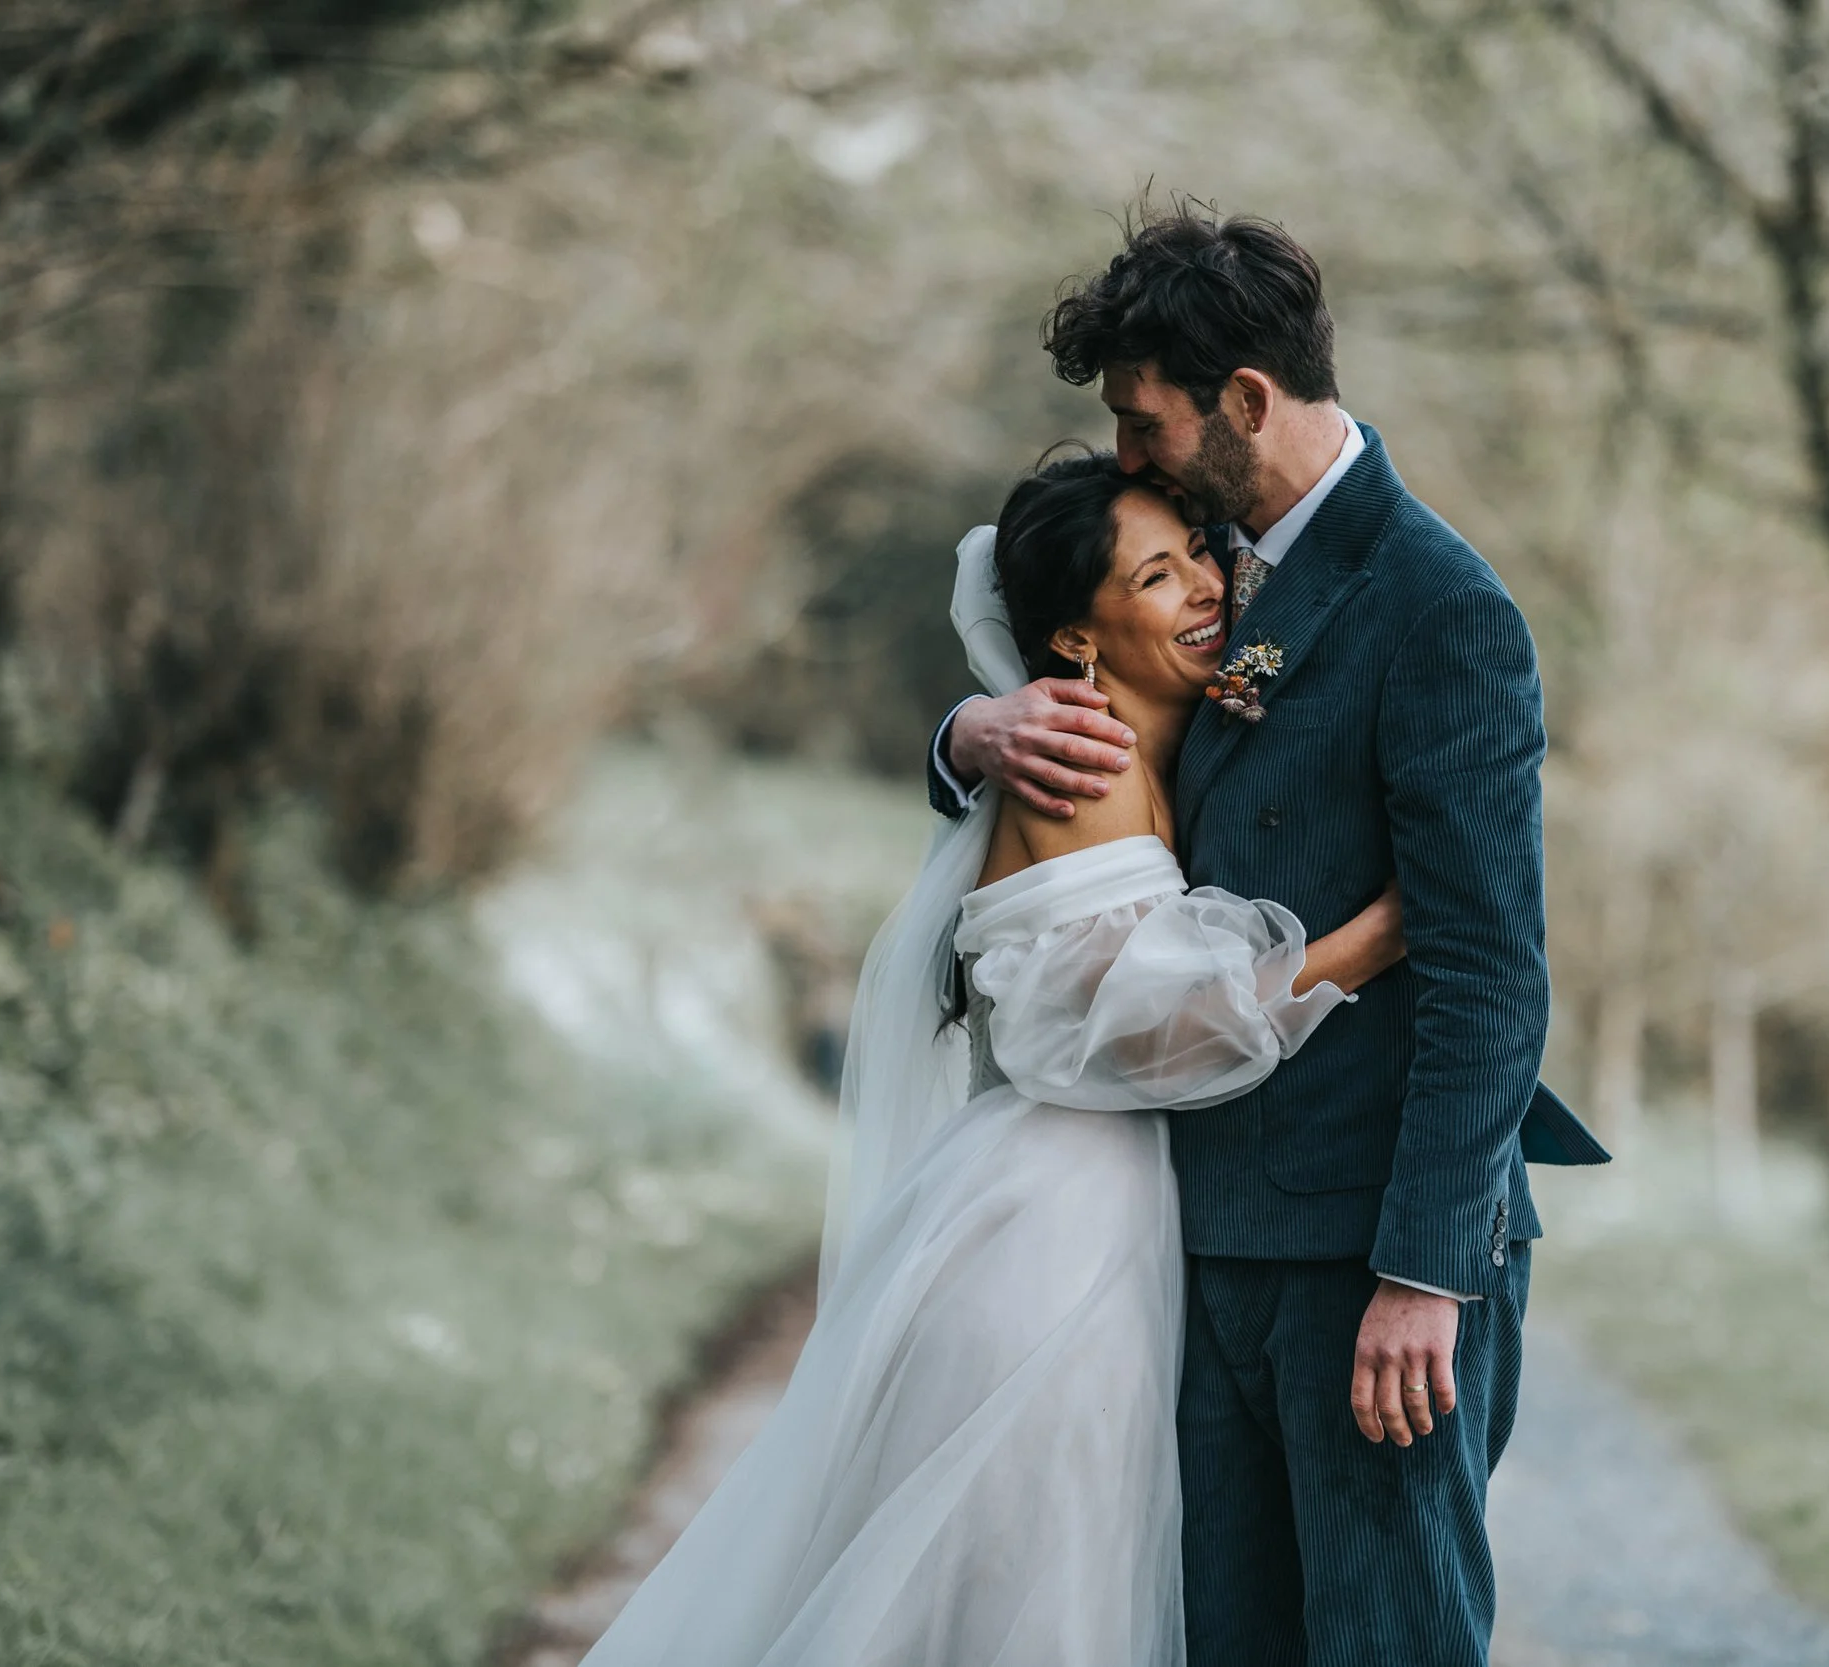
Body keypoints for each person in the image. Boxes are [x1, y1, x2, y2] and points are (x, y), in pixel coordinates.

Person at [577, 454, 1408, 1667]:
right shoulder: (1086, 762)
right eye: (1156, 574)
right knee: (1017, 1596)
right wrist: (1378, 938)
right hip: (1048, 1250)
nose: (1204, 593)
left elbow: (989, 566)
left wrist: (972, 721)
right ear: (1076, 634)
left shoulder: (1143, 743)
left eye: (1197, 558)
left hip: (1090, 1220)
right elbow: (1139, 1033)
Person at [927, 208, 1608, 1667]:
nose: (1125, 456)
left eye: (1143, 420)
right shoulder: (1198, 565)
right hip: (1200, 1238)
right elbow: (1090, 762)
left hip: (1369, 1255)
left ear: (1245, 401)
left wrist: (1426, 1272)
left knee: (1381, 1644)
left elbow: (1490, 969)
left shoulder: (1440, 610)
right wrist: (969, 734)